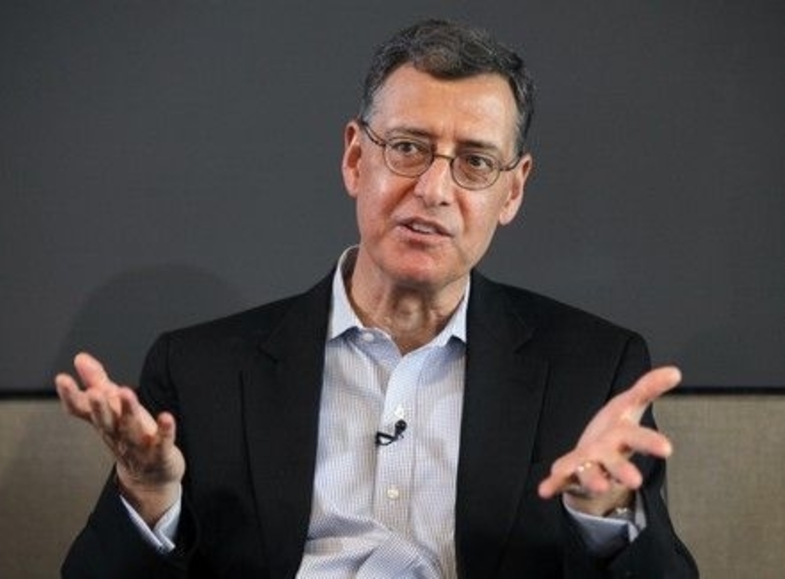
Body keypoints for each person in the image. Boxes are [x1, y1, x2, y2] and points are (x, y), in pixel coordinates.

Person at [55, 19, 698, 578]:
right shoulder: (201, 373)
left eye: (475, 162)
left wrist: (605, 515)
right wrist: (147, 496)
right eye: (408, 148)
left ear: (513, 191)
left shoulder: (593, 372)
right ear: (356, 159)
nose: (435, 190)